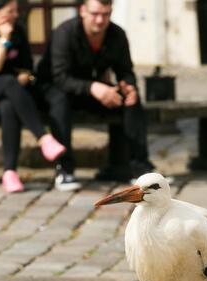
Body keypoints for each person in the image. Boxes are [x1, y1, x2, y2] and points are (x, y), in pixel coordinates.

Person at [36, 0, 159, 185]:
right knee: (60, 101)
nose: (100, 20)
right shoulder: (64, 32)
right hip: (54, 91)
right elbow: (60, 77)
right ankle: (65, 169)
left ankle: (140, 168)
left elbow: (125, 70)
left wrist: (129, 86)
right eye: (95, 14)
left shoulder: (117, 34)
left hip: (90, 92)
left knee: (130, 99)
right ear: (83, 11)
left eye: (106, 14)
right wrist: (94, 87)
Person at [0, 0, 74, 193]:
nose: (14, 15)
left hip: (11, 96)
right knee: (7, 82)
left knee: (8, 105)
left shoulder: (19, 31)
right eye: (9, 11)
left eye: (15, 10)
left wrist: (22, 75)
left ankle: (9, 173)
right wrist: (4, 41)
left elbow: (27, 66)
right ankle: (43, 138)